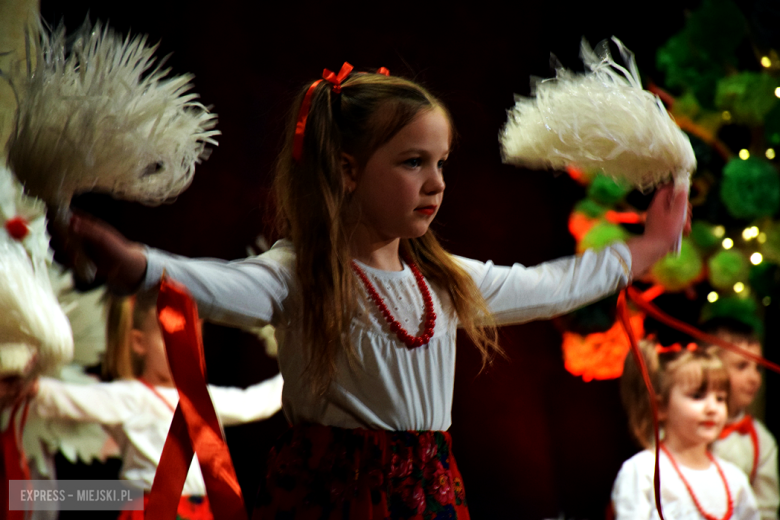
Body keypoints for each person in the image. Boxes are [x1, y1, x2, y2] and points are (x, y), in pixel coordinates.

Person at [58, 65, 689, 519]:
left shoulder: (445, 280)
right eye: (414, 162)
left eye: (442, 163)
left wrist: (651, 247)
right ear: (349, 170)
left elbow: (554, 284)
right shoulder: (300, 273)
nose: (436, 182)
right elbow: (211, 283)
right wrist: (132, 262)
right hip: (329, 495)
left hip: (431, 493)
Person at [2, 288, 284, 520]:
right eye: (172, 338)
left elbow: (254, 403)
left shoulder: (204, 399)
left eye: (193, 339)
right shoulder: (132, 396)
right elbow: (75, 400)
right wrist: (34, 387)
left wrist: (295, 376)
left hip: (202, 512)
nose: (184, 348)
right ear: (139, 343)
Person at [612, 339, 759, 519]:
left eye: (720, 398)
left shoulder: (735, 479)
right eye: (697, 396)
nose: (712, 408)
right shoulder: (642, 472)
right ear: (661, 407)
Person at [705, 318, 779, 520]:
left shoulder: (761, 442)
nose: (754, 377)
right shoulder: (678, 427)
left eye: (758, 368)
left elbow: (766, 510)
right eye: (741, 366)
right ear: (710, 366)